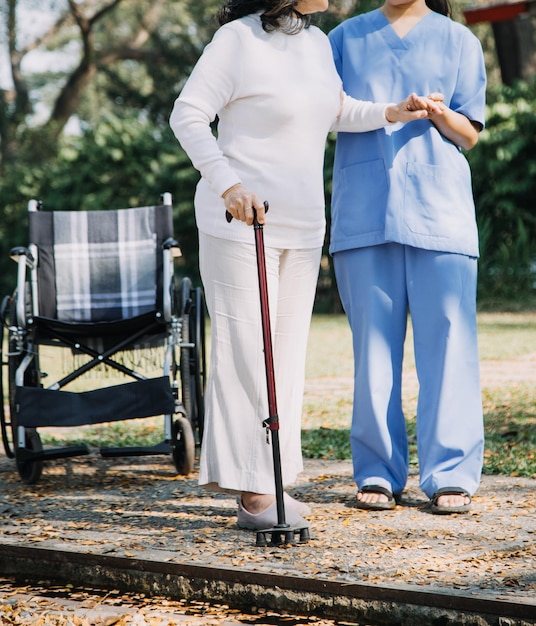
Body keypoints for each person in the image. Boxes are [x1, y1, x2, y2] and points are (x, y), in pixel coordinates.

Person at [169, 0, 442, 531]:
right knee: (249, 348)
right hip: (240, 219)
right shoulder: (237, 41)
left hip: (301, 221)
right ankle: (253, 492)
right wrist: (228, 184)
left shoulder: (316, 43)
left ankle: (275, 476)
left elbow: (336, 110)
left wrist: (392, 111)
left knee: (286, 354)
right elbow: (188, 113)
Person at [328, 0, 486, 514]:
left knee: (450, 348)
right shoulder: (343, 39)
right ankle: (377, 473)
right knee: (373, 354)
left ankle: (452, 476)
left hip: (441, 214)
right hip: (364, 212)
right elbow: (325, 116)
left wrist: (441, 114)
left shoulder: (459, 40)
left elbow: (471, 134)